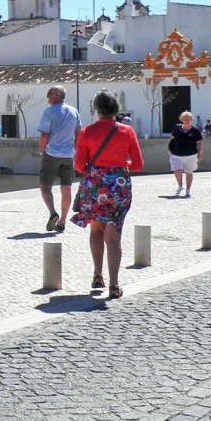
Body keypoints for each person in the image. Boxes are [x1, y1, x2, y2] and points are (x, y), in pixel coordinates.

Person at [71, 89, 144, 300]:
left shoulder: (87, 132)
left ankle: (97, 275)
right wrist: (120, 164)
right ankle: (114, 285)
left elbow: (78, 165)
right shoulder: (127, 131)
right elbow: (138, 165)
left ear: (96, 110)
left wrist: (99, 168)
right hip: (119, 188)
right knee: (114, 238)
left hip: (94, 186)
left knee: (96, 232)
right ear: (116, 110)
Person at [35, 85, 81, 232]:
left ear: (57, 95)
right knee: (66, 188)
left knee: (45, 186)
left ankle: (52, 213)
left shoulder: (49, 112)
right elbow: (79, 133)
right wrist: (75, 149)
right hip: (68, 155)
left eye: (49, 94)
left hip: (52, 153)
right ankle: (62, 221)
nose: (47, 97)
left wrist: (42, 150)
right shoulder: (74, 111)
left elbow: (44, 135)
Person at [168, 110, 203, 197]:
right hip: (176, 154)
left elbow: (199, 143)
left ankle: (188, 189)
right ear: (182, 120)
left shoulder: (195, 131)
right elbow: (172, 138)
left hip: (190, 155)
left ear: (191, 120)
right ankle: (180, 186)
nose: (187, 120)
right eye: (185, 119)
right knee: (177, 170)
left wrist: (200, 153)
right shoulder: (176, 128)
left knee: (189, 172)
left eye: (188, 119)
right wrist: (169, 148)